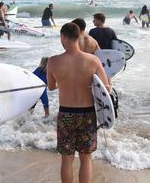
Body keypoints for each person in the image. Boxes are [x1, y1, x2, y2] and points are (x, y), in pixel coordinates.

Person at [47, 22, 110, 183]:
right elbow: (106, 88)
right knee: (86, 158)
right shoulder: (93, 60)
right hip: (87, 114)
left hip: (66, 113)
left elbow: (51, 86)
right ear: (79, 36)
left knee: (67, 159)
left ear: (63, 37)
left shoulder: (53, 61)